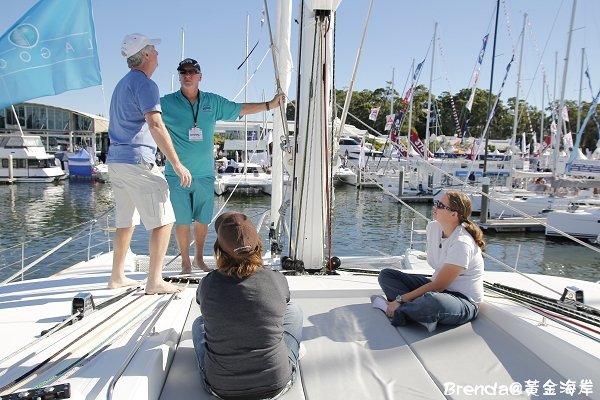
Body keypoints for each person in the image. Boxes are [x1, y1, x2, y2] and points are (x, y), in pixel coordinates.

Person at [160, 58, 284, 273]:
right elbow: (144, 115)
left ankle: (198, 258)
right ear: (179, 76)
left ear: (200, 76)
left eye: (192, 72)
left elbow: (240, 108)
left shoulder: (212, 102)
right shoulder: (166, 102)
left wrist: (269, 105)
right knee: (181, 221)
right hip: (177, 173)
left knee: (201, 219)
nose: (187, 75)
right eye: (183, 72)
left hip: (205, 174)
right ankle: (185, 263)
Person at [106, 33, 192, 294]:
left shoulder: (122, 84)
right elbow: (155, 123)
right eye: (153, 49)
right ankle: (154, 281)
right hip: (137, 161)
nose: (157, 54)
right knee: (165, 219)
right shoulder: (145, 84)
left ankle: (117, 277)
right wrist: (176, 163)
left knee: (126, 221)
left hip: (116, 162)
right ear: (144, 55)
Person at [192, 211, 303, 399]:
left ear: (219, 248)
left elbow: (202, 304)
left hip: (221, 388)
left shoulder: (208, 283)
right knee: (293, 311)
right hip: (276, 384)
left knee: (199, 324)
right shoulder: (276, 279)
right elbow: (284, 301)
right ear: (258, 245)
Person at [374, 191, 485, 332]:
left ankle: (395, 310)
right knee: (387, 276)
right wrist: (404, 297)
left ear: (454, 214)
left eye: (440, 205)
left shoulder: (462, 243)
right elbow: (436, 284)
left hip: (463, 300)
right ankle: (421, 316)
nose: (435, 207)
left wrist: (400, 299)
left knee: (433, 302)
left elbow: (439, 286)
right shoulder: (434, 229)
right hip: (438, 289)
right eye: (436, 203)